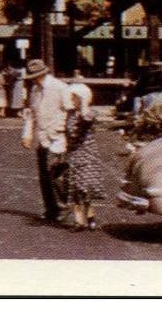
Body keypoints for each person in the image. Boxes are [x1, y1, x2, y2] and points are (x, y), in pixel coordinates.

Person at [20, 58, 73, 224]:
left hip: (57, 136)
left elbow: (69, 110)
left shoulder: (60, 87)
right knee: (44, 175)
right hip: (41, 137)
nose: (34, 79)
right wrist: (27, 133)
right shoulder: (35, 90)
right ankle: (51, 209)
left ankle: (64, 207)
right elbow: (30, 114)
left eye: (36, 76)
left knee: (57, 174)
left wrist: (61, 129)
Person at [65, 82, 105, 231]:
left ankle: (90, 215)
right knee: (73, 188)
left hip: (87, 154)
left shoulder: (91, 112)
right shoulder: (70, 113)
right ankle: (79, 220)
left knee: (85, 187)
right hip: (72, 154)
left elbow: (87, 119)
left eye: (74, 97)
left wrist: (82, 104)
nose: (71, 100)